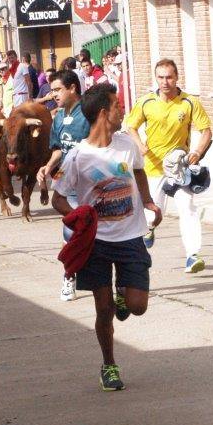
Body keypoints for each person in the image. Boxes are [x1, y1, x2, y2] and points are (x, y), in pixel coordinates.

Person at [52, 83, 162, 391]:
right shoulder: (76, 157)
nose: (122, 109)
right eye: (117, 105)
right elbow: (58, 198)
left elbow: (139, 171)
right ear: (104, 113)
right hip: (96, 243)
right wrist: (77, 221)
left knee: (137, 306)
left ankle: (122, 294)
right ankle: (109, 365)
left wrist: (149, 201)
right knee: (103, 311)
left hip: (130, 237)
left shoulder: (127, 144)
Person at [124, 58, 213, 274]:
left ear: (177, 77)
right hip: (153, 167)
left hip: (179, 168)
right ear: (156, 78)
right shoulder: (146, 102)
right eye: (161, 77)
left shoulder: (189, 103)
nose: (165, 82)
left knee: (187, 207)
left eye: (169, 77)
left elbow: (207, 131)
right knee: (154, 212)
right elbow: (130, 126)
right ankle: (150, 228)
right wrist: (140, 146)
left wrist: (197, 153)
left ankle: (193, 255)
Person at [37, 70, 88, 302]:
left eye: (57, 90)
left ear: (72, 88)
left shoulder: (89, 113)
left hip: (92, 182)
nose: (53, 95)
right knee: (71, 231)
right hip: (68, 184)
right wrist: (48, 167)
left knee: (102, 233)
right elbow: (59, 148)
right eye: (51, 90)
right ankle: (69, 277)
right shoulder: (57, 117)